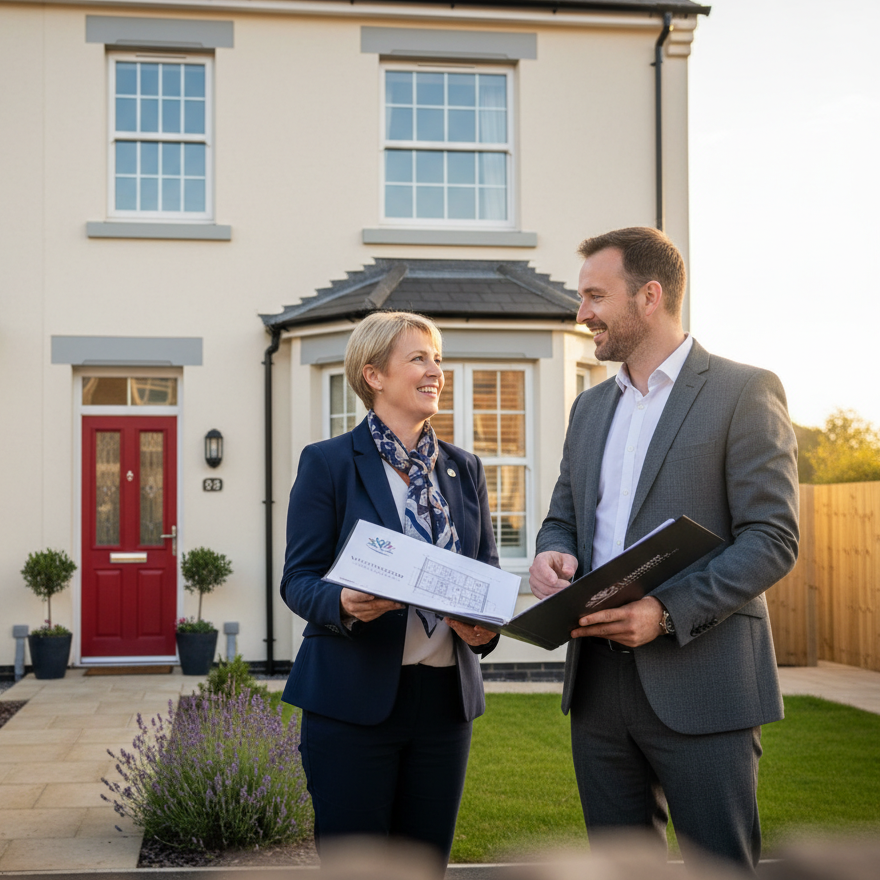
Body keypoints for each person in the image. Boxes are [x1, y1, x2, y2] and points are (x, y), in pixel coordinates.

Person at [530, 227, 799, 872]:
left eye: (596, 296)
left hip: (705, 681)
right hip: (597, 687)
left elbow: (772, 538)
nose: (582, 313)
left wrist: (665, 612)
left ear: (649, 296)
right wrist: (551, 553)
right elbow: (563, 516)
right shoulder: (589, 408)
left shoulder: (743, 391)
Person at [280, 310, 499, 871]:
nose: (436, 371)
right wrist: (343, 603)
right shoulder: (328, 463)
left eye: (438, 359)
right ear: (373, 375)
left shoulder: (465, 469)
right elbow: (298, 579)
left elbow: (485, 573)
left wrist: (485, 630)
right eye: (419, 358)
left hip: (445, 704)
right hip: (351, 700)